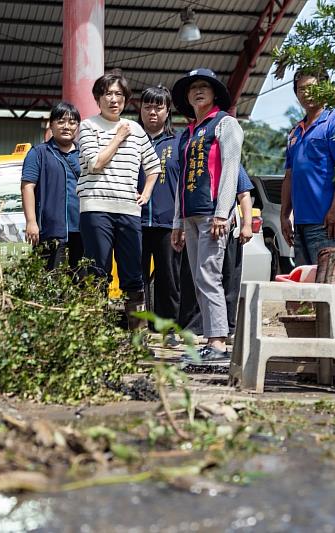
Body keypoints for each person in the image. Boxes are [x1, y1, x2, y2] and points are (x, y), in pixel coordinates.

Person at [77, 69, 161, 329]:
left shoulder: (136, 129)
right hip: (95, 208)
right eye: (107, 94)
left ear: (125, 99)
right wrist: (118, 137)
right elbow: (95, 163)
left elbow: (154, 166)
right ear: (98, 98)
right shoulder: (88, 126)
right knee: (97, 272)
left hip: (128, 211)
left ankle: (138, 337)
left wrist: (145, 194)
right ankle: (96, 336)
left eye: (119, 94)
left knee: (133, 274)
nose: (113, 99)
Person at [170, 68, 244, 363]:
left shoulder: (225, 124)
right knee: (199, 278)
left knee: (209, 275)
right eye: (193, 88)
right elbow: (181, 178)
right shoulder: (187, 133)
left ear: (214, 94)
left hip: (212, 214)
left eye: (204, 86)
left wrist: (222, 213)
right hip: (189, 216)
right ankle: (211, 339)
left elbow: (230, 168)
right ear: (187, 98)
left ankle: (218, 343)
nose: (198, 91)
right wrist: (177, 222)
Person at [280, 70, 335, 267]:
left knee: (330, 282)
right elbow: (289, 177)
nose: (306, 93)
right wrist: (284, 216)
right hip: (300, 224)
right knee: (306, 285)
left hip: (327, 223)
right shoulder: (295, 131)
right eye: (301, 89)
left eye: (312, 88)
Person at [178, 167, 253, 342]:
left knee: (228, 279)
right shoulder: (197, 162)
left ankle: (229, 329)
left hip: (228, 228)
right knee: (202, 278)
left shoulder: (230, 162)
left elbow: (244, 195)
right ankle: (203, 328)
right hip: (203, 227)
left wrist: (247, 225)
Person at [137, 85, 181, 343]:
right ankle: (139, 328)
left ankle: (168, 329)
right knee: (136, 276)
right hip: (135, 220)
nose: (152, 112)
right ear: (140, 109)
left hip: (168, 222)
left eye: (158, 107)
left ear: (167, 111)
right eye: (147, 106)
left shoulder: (179, 142)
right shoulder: (130, 140)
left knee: (169, 278)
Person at [21, 101, 83, 270]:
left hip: (82, 231)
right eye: (61, 121)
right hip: (51, 231)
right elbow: (27, 187)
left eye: (72, 122)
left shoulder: (84, 154)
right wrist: (31, 222)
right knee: (50, 282)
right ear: (51, 125)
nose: (66, 126)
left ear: (77, 127)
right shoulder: (38, 153)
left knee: (82, 283)